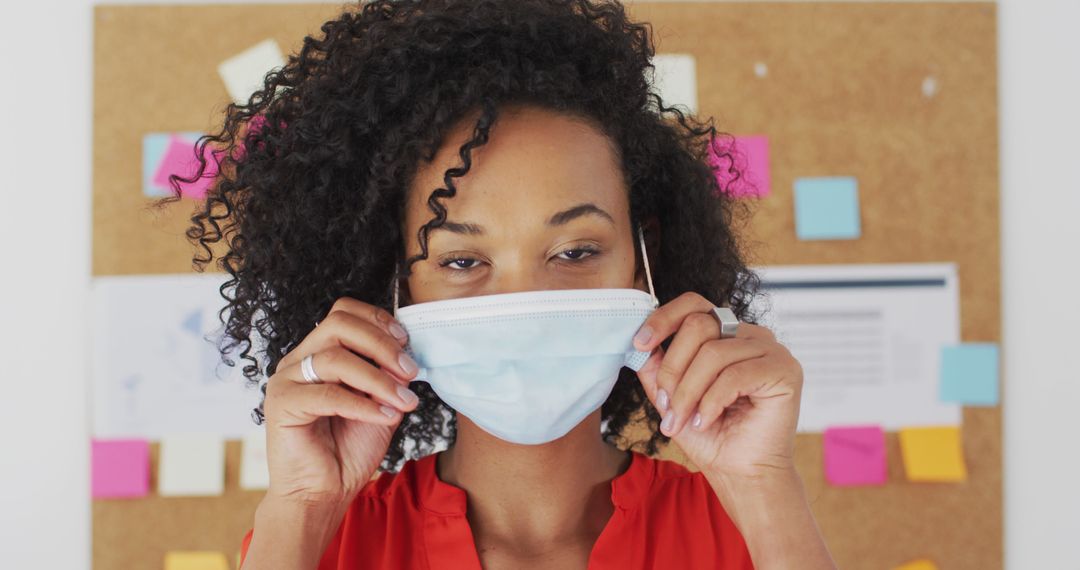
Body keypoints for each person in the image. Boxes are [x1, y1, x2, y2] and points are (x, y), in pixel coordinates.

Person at [154, 0, 837, 568]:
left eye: (574, 250)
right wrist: (299, 508)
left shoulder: (748, 530)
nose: (523, 303)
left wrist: (765, 486)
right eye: (460, 261)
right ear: (395, 285)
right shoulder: (319, 541)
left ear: (643, 257)